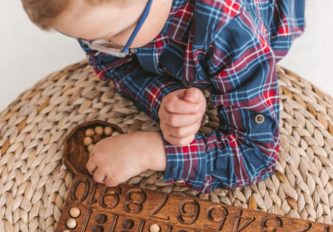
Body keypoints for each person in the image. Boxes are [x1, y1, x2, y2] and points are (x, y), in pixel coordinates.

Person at [21, 0, 306, 193]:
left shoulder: (230, 28)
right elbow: (112, 65)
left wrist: (152, 152)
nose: (99, 49)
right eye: (83, 39)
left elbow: (257, 154)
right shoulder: (108, 24)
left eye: (116, 33)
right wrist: (164, 98)